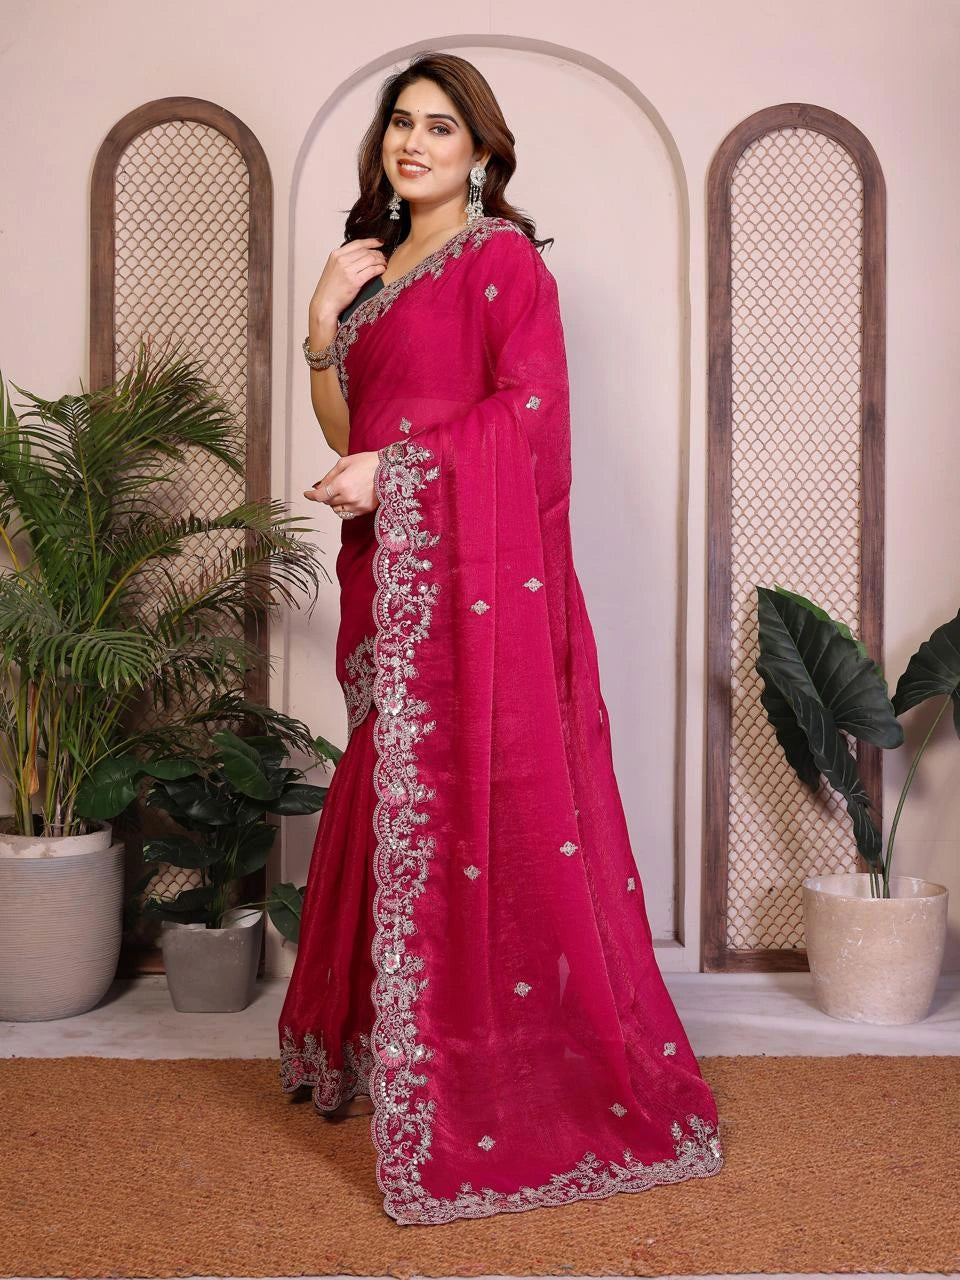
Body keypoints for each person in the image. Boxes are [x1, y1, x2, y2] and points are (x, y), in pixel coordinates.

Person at [278, 50, 725, 1228]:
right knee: (396, 797)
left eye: (439, 127)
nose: (413, 144)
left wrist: (399, 472)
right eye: (399, 125)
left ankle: (502, 1061)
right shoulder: (376, 270)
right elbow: (349, 406)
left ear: (482, 151)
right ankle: (400, 1046)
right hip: (395, 564)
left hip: (471, 567)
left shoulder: (503, 260)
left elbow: (527, 420)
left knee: (485, 800)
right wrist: (323, 319)